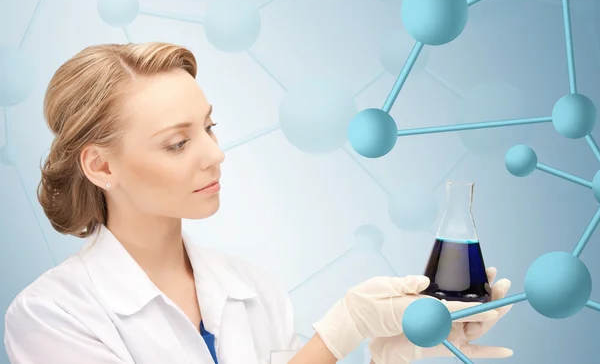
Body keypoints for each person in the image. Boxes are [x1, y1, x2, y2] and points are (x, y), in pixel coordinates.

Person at [3, 42, 514, 364]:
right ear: (101, 167)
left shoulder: (250, 289)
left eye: (209, 127)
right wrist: (339, 333)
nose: (216, 155)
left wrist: (390, 355)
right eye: (177, 143)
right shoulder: (52, 316)